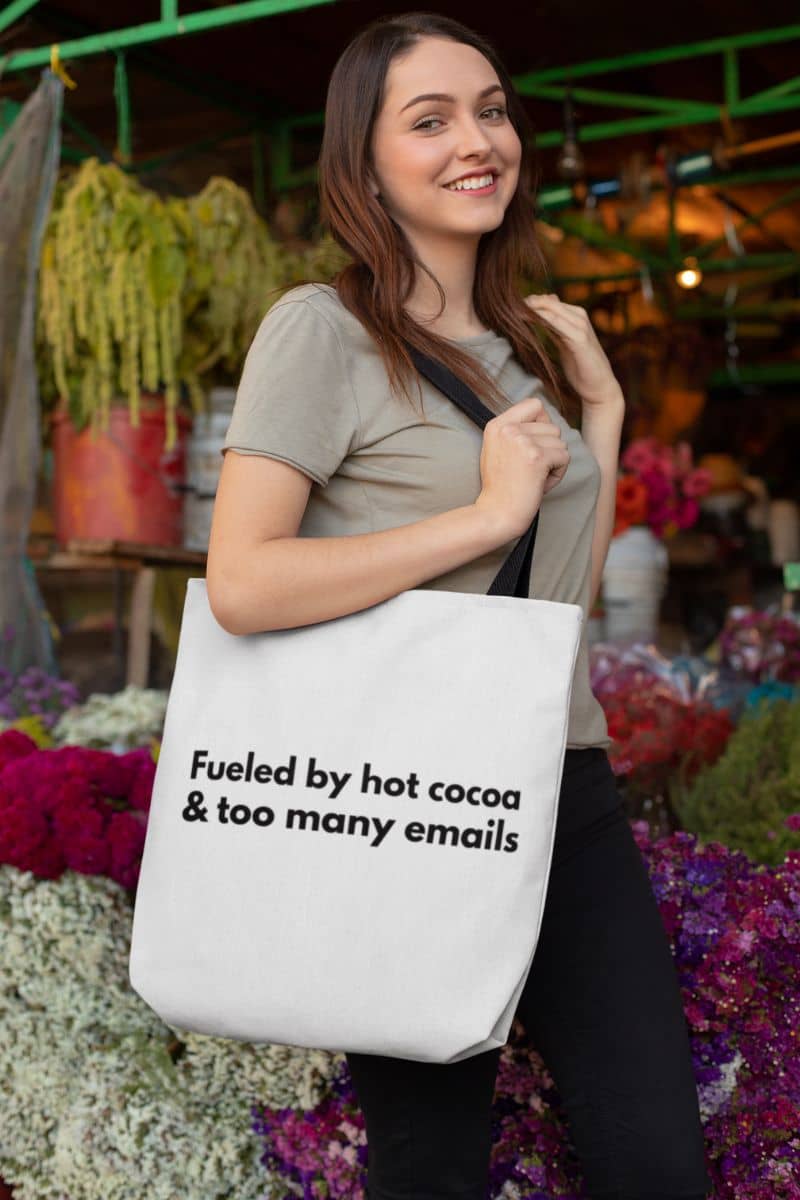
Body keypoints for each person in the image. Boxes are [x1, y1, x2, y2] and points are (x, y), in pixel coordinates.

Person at [206, 12, 713, 1199]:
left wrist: (598, 423)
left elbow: (554, 627)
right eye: (427, 121)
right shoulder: (319, 332)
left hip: (560, 783)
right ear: (363, 163)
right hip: (402, 795)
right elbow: (241, 580)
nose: (475, 141)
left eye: (488, 109)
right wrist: (480, 515)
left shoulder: (525, 352)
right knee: (430, 1167)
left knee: (656, 1161)